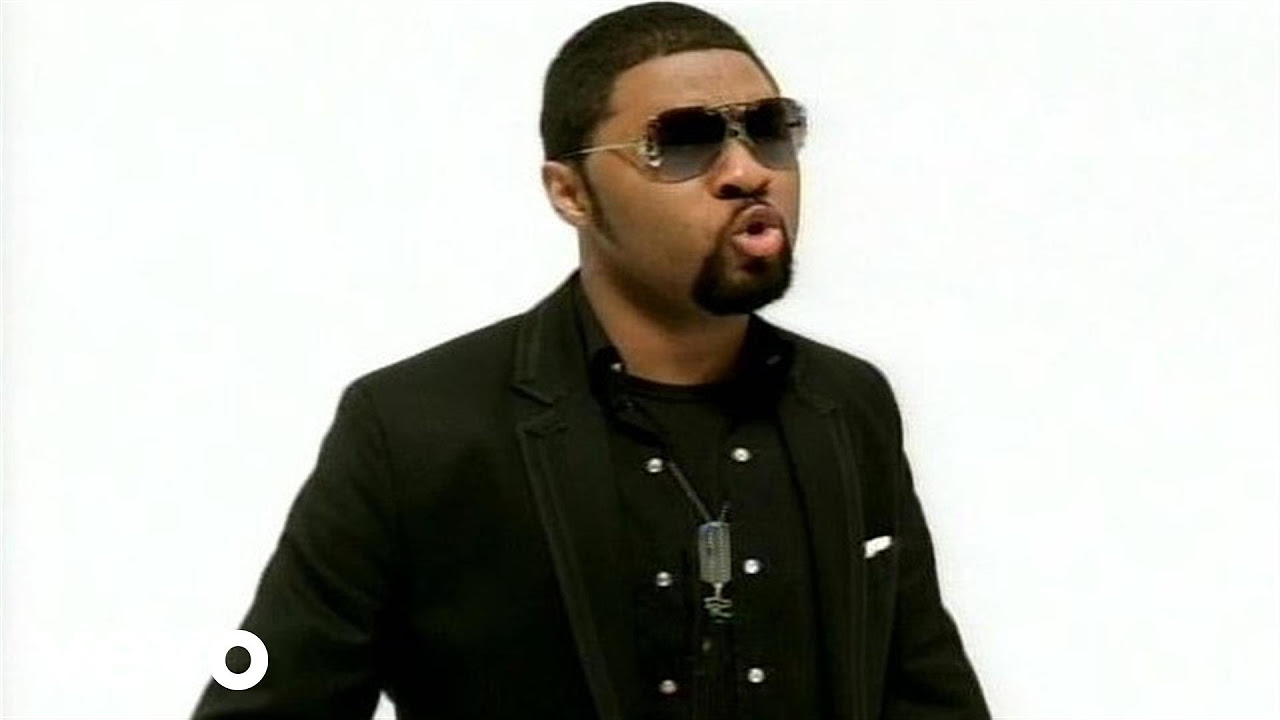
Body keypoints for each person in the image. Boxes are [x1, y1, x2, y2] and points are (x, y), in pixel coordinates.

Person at [191, 3, 989, 718]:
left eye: (770, 128)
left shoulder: (846, 403)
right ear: (570, 193)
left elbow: (925, 688)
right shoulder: (414, 427)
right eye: (682, 142)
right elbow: (260, 692)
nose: (748, 171)